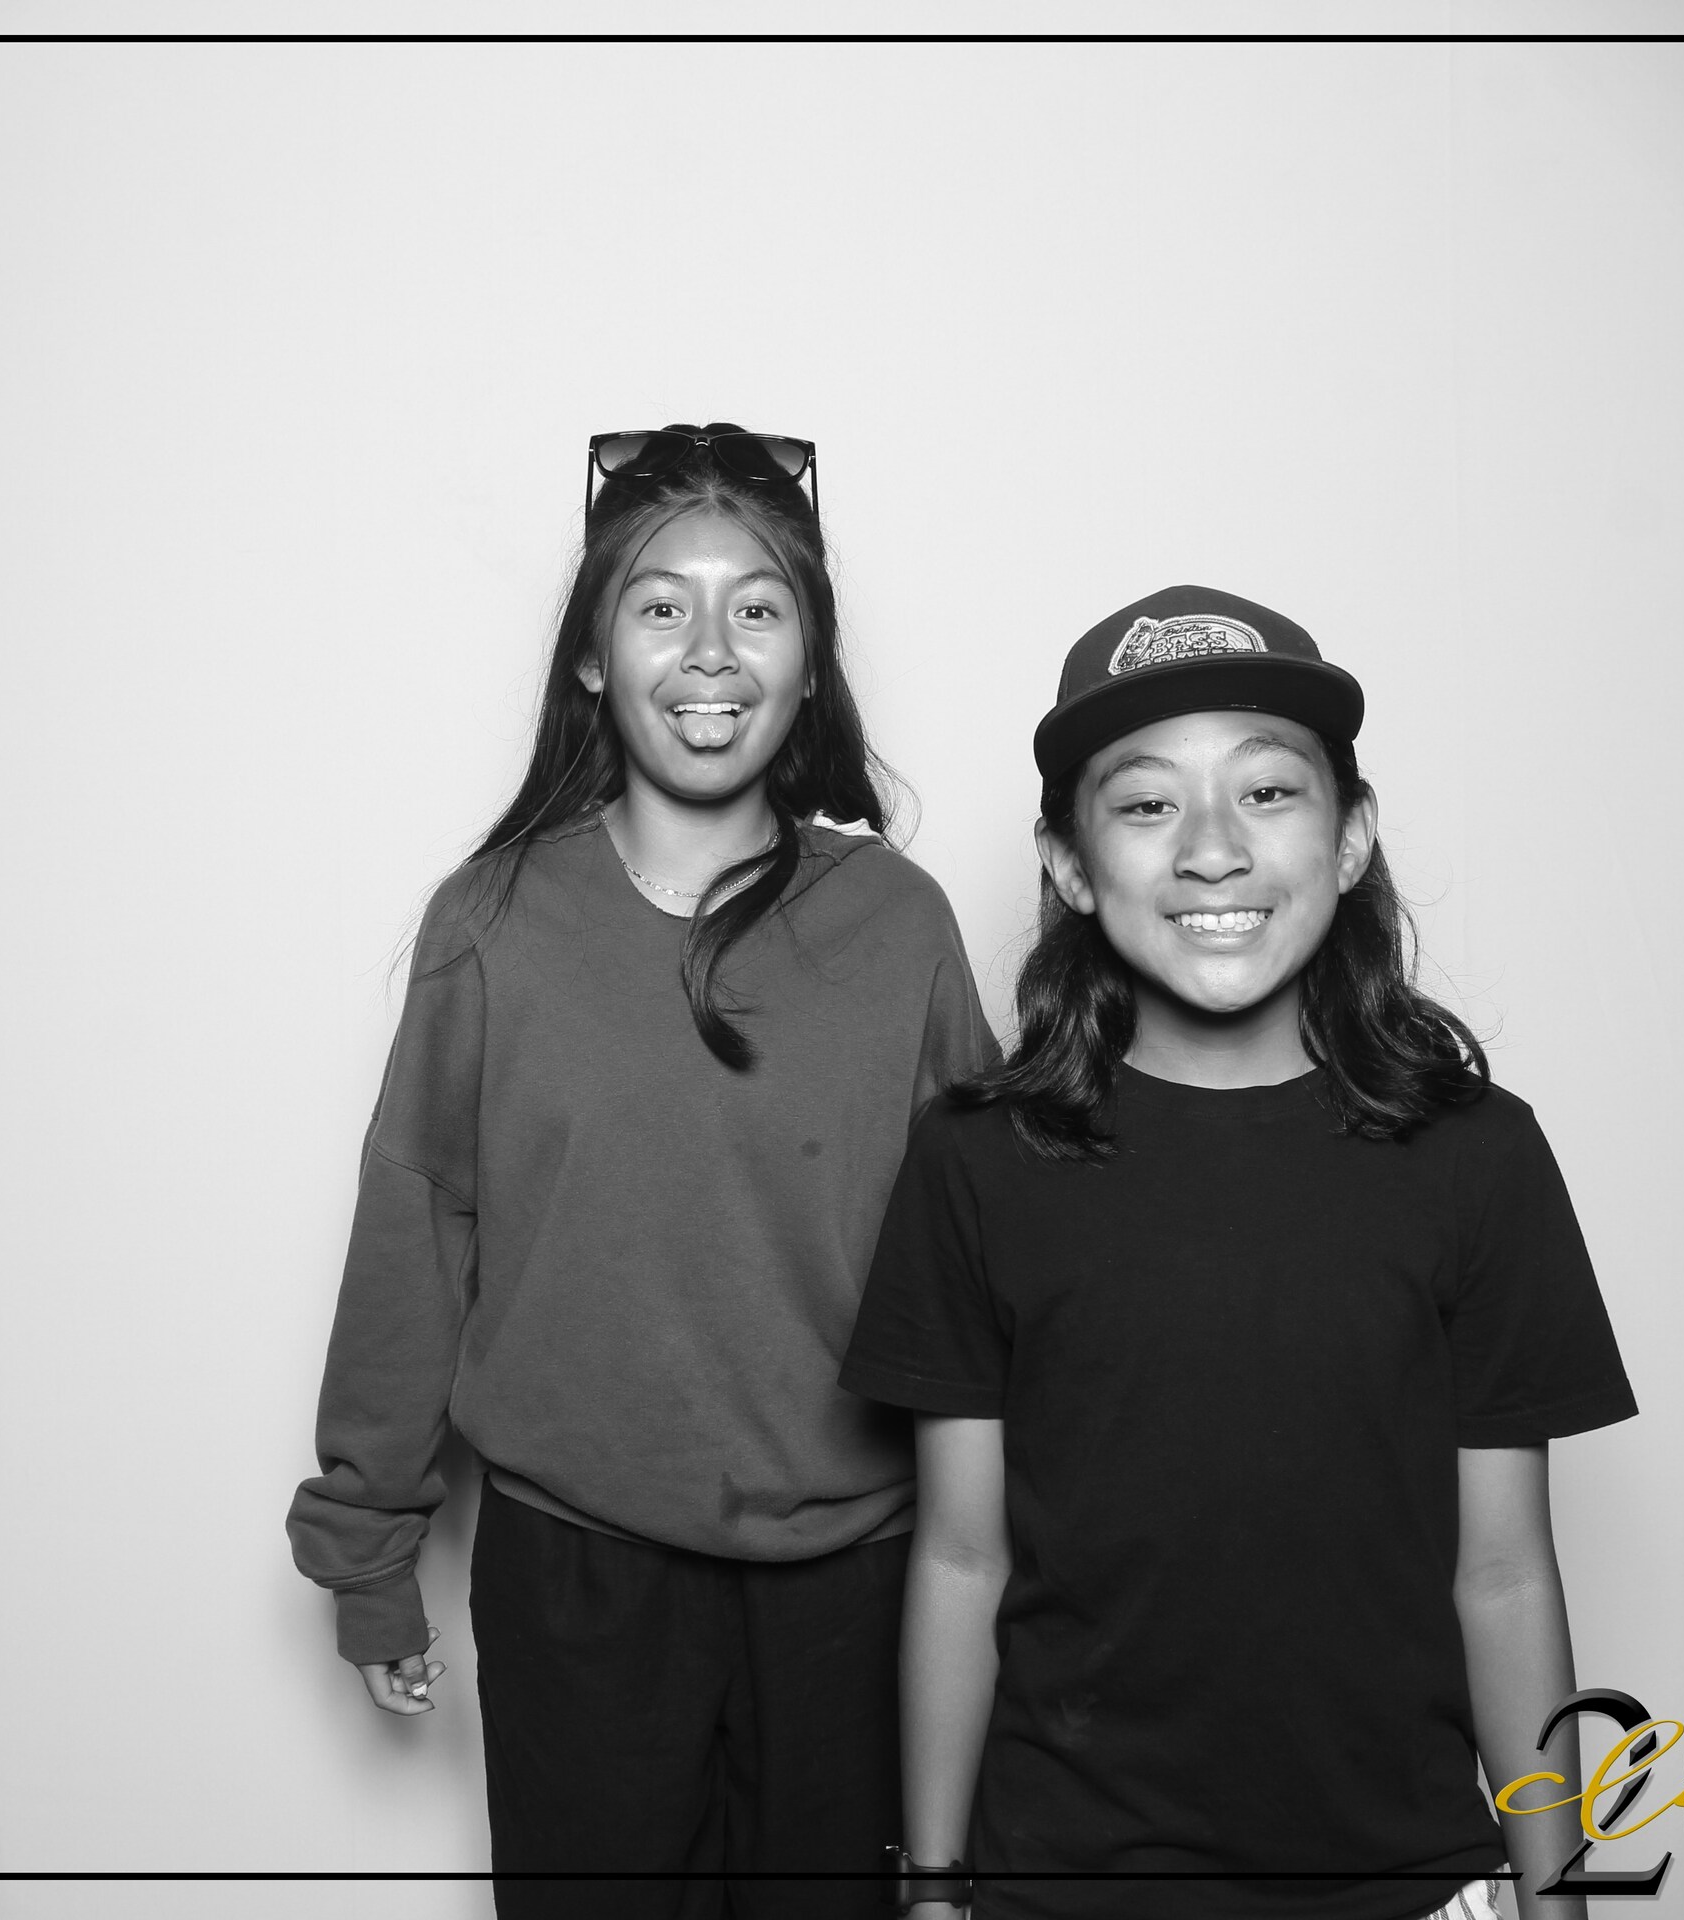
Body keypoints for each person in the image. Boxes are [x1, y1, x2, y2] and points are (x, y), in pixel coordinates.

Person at [840, 586, 1636, 1920]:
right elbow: (964, 1558)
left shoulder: (1478, 1157)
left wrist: (1556, 1897)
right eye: (1148, 804)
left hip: (1408, 1882)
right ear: (1070, 863)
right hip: (1064, 1887)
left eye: (1267, 793)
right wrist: (931, 1892)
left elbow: (1502, 1572)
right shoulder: (977, 1162)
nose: (1213, 849)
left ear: (1351, 836)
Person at [286, 425, 997, 1918]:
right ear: (593, 659)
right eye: (661, 605)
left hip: (860, 1585)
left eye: (759, 607)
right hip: (576, 1580)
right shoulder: (491, 922)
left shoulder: (901, 924)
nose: (711, 650)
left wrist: (1033, 1553)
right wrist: (368, 1548)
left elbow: (989, 1263)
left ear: (811, 661)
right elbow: (418, 1228)